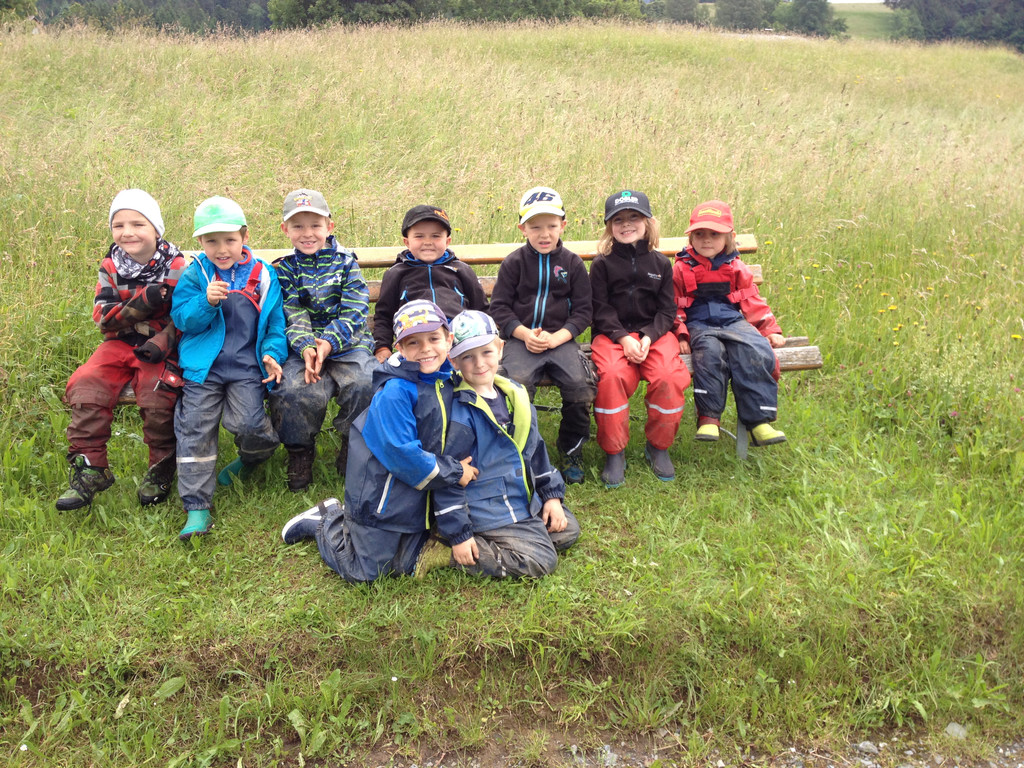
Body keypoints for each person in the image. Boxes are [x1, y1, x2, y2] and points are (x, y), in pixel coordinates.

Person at [279, 300, 478, 583]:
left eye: (434, 339)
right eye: (413, 342)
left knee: (406, 561)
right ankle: (327, 519)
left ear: (449, 340)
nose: (426, 349)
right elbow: (402, 455)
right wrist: (456, 472)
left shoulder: (448, 380)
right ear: (399, 348)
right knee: (367, 573)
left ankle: (398, 531)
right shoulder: (395, 392)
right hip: (381, 497)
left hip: (417, 492)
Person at [423, 310, 581, 579]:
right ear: (454, 360)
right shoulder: (460, 413)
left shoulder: (514, 395)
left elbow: (535, 451)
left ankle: (521, 536)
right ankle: (446, 550)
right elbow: (450, 478)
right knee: (542, 560)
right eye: (467, 357)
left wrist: (551, 496)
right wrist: (459, 534)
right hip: (486, 508)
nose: (479, 363)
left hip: (519, 496)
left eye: (486, 352)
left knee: (567, 530)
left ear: (500, 348)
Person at [57, 189, 187, 511]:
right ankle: (91, 468)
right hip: (118, 343)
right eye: (119, 225)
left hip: (159, 345)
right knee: (86, 384)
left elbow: (185, 315)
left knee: (157, 392)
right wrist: (147, 300)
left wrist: (160, 340)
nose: (128, 232)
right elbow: (103, 317)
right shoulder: (110, 266)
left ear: (156, 229)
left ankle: (161, 467)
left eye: (138, 224)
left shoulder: (177, 265)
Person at [171, 196, 287, 540]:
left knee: (249, 424)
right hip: (203, 368)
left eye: (229, 240)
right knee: (195, 428)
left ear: (245, 236)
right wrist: (205, 302)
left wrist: (272, 353)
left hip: (247, 366)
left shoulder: (263, 274)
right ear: (199, 242)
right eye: (211, 241)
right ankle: (197, 507)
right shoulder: (195, 274)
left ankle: (252, 458)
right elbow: (182, 319)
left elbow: (275, 324)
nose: (221, 249)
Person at [267, 189, 376, 492]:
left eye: (315, 225)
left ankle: (352, 444)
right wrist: (307, 346)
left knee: (365, 382)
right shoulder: (285, 268)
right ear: (285, 229)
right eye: (298, 226)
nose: (307, 233)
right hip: (302, 346)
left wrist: (328, 342)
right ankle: (299, 451)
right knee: (291, 389)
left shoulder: (346, 263)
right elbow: (292, 310)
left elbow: (355, 309)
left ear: (329, 226)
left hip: (349, 343)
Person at [487, 186, 595, 484]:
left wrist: (559, 337)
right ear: (522, 229)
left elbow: (583, 311)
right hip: (521, 341)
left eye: (551, 226)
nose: (544, 234)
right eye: (535, 227)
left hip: (561, 340)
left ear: (563, 225)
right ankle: (521, 450)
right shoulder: (514, 263)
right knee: (516, 387)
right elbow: (499, 307)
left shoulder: (572, 264)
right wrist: (523, 333)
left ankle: (571, 448)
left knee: (580, 387)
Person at [590, 190, 691, 487]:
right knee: (611, 376)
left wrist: (647, 337)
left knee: (669, 377)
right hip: (612, 336)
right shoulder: (602, 264)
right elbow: (599, 309)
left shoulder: (660, 264)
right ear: (609, 227)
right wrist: (623, 338)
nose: (626, 224)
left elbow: (667, 309)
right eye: (618, 219)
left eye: (634, 217)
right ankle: (614, 451)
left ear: (647, 222)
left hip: (655, 335)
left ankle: (658, 446)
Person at [673, 200, 787, 446]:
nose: (706, 240)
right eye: (699, 234)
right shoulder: (681, 268)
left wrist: (769, 329)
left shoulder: (736, 267)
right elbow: (674, 305)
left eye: (714, 234)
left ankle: (759, 421)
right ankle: (709, 417)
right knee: (709, 354)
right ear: (691, 237)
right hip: (699, 324)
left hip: (732, 321)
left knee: (755, 350)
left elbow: (752, 300)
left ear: (730, 237)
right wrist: (681, 334)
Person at [372, 205, 487, 362]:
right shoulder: (396, 273)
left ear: (447, 241)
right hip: (416, 341)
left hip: (459, 340)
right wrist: (382, 347)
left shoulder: (460, 270)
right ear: (407, 242)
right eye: (419, 236)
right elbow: (384, 316)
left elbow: (481, 309)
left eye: (435, 236)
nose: (427, 242)